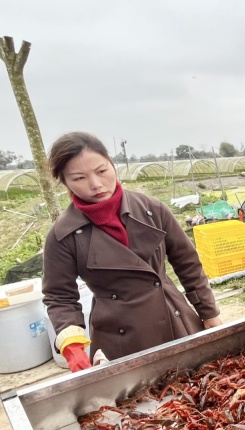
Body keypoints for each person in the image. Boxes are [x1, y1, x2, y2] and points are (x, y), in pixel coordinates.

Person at [43, 132, 222, 372]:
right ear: (65, 182)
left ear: (112, 164)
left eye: (102, 171)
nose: (96, 184)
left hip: (173, 319)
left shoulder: (151, 209)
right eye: (79, 178)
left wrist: (209, 313)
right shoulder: (63, 234)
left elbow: (187, 263)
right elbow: (59, 296)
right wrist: (72, 346)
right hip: (118, 339)